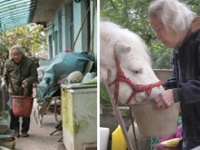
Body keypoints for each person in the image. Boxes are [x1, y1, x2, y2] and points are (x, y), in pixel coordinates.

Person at [148, 0, 200, 149]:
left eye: (159, 29)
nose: (157, 36)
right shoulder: (179, 47)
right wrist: (159, 89)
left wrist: (177, 94)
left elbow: (181, 89)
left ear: (174, 23)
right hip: (192, 134)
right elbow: (179, 79)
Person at [3, 45, 38, 137]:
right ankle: (15, 130)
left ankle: (24, 130)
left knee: (25, 111)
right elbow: (5, 76)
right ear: (11, 55)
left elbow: (34, 75)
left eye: (18, 54)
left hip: (26, 90)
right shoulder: (8, 63)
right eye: (13, 55)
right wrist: (8, 88)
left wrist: (27, 81)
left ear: (22, 54)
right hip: (13, 91)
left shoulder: (29, 62)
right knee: (13, 111)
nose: (16, 57)